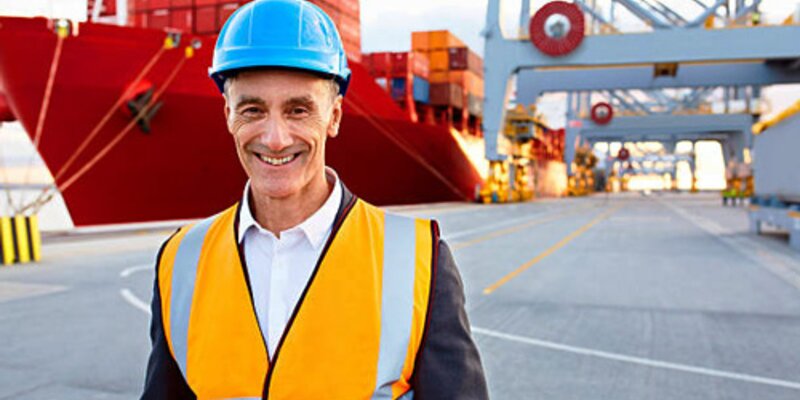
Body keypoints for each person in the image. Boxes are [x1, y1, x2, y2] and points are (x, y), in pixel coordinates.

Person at [141, 0, 489, 398]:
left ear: (335, 116)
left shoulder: (421, 260)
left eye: (298, 110)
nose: (275, 138)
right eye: (253, 110)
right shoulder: (181, 261)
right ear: (227, 114)